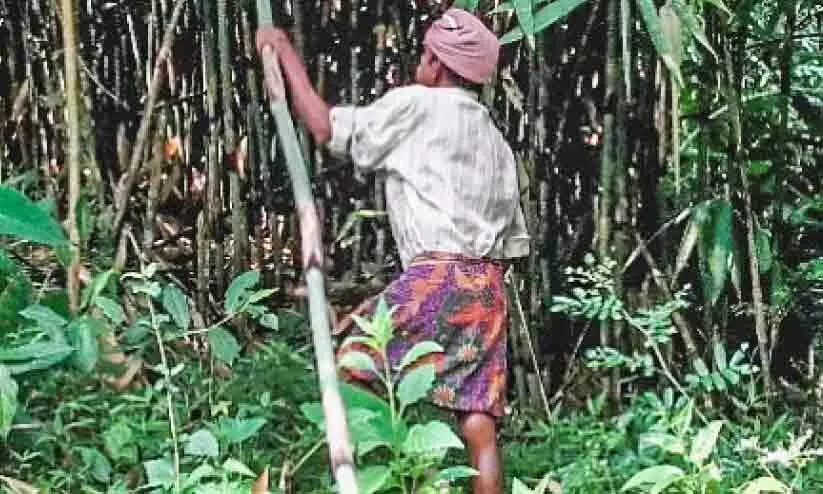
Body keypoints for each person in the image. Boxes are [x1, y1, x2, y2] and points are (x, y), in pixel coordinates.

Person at [256, 8, 529, 493]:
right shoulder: (495, 140)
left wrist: (284, 53)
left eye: (424, 54)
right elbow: (509, 245)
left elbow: (326, 128)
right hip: (488, 286)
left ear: (437, 63)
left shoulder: (418, 106)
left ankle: (396, 475)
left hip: (436, 273)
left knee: (354, 367)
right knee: (478, 418)